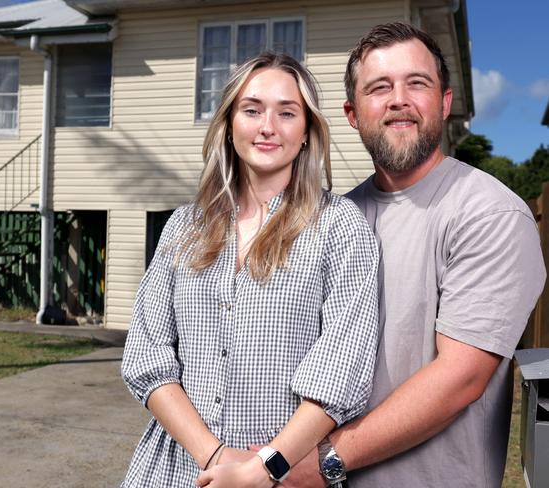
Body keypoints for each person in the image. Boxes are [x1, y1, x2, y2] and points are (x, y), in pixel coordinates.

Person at [281, 22, 546, 488]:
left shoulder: (489, 212)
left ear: (444, 103)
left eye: (416, 83)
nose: (398, 99)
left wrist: (323, 462)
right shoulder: (332, 219)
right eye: (379, 87)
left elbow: (459, 379)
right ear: (352, 112)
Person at [119, 52, 380, 487]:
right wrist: (217, 456)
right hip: (175, 467)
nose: (267, 127)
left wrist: (264, 468)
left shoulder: (339, 226)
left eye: (287, 112)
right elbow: (146, 356)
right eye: (252, 109)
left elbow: (342, 371)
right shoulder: (184, 226)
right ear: (229, 124)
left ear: (307, 132)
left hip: (283, 474)